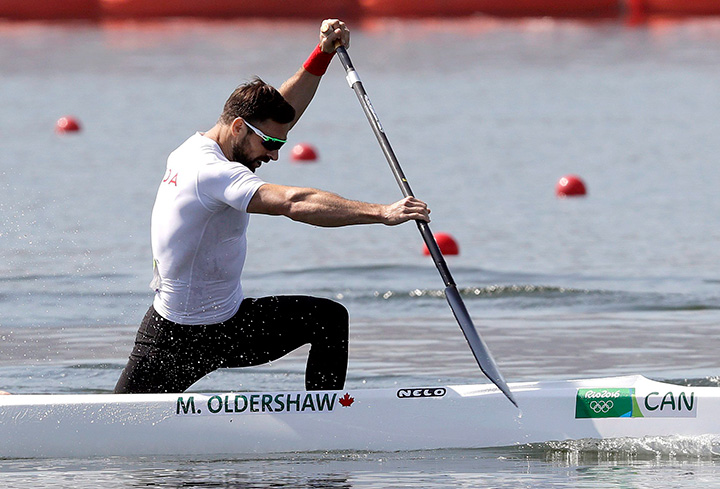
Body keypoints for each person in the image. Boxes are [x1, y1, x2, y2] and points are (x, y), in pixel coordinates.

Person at [114, 19, 430, 394]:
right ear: (237, 128)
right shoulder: (211, 172)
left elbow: (282, 113)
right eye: (269, 144)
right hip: (175, 337)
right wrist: (382, 213)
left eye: (280, 144)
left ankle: (323, 422)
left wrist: (322, 55)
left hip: (230, 325)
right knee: (114, 432)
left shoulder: (206, 145)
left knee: (327, 319)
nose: (275, 155)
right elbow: (294, 203)